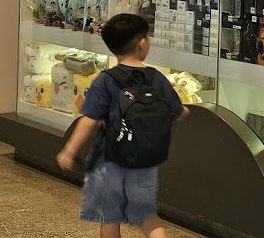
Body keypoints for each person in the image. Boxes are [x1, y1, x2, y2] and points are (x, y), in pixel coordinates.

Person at [57, 14, 189, 238]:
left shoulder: (106, 80)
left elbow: (89, 119)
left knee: (109, 219)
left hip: (108, 162)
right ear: (142, 44)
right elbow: (179, 112)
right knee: (147, 217)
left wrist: (69, 151)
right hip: (144, 163)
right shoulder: (156, 78)